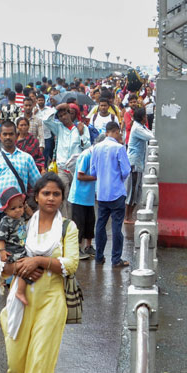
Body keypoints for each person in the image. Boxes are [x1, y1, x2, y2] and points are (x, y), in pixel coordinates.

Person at [1, 174, 79, 373]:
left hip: (52, 302)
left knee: (42, 364)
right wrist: (22, 266)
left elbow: (71, 264)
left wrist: (41, 262)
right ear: (36, 196)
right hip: (23, 300)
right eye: (45, 193)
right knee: (17, 360)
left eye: (56, 194)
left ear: (62, 198)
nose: (50, 198)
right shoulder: (22, 226)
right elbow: (5, 263)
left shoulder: (68, 228)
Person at [0, 120, 41, 255]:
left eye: (11, 134)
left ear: (16, 136)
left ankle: (19, 274)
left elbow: (38, 183)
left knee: (20, 243)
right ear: (0, 136)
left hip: (19, 211)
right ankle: (0, 272)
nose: (7, 137)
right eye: (4, 134)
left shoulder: (26, 158)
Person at [88, 120, 132, 267]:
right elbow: (126, 171)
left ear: (106, 132)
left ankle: (99, 256)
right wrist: (117, 178)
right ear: (116, 131)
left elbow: (93, 171)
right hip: (116, 192)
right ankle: (116, 259)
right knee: (116, 227)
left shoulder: (96, 148)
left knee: (100, 225)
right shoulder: (119, 148)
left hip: (101, 193)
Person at [42, 103, 91, 197]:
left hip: (77, 169)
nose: (63, 117)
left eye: (65, 114)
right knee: (63, 195)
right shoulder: (58, 127)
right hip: (62, 168)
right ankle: (64, 213)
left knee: (76, 196)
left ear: (70, 114)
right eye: (60, 116)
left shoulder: (81, 127)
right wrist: (56, 108)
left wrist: (81, 134)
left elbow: (87, 147)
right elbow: (45, 120)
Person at [0, 189, 30, 304]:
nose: (18, 210)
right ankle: (19, 291)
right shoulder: (6, 221)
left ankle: (18, 290)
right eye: (13, 208)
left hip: (22, 249)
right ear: (5, 210)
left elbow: (31, 215)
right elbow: (1, 238)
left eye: (20, 207)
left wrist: (27, 208)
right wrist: (2, 251)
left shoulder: (21, 218)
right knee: (22, 269)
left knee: (26, 268)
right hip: (13, 252)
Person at [68, 148, 97, 260]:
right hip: (79, 196)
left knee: (90, 222)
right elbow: (80, 176)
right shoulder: (86, 155)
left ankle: (88, 246)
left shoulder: (95, 156)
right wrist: (96, 178)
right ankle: (77, 249)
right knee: (78, 224)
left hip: (88, 197)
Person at [125, 107, 154, 217]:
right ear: (142, 117)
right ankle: (127, 216)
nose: (147, 117)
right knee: (132, 190)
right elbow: (150, 136)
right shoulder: (137, 128)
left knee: (137, 189)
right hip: (134, 163)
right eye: (145, 116)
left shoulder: (141, 126)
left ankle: (130, 214)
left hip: (139, 163)